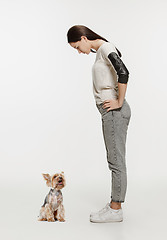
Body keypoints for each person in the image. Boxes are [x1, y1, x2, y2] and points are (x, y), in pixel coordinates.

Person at [67, 25, 131, 223]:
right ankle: (114, 204)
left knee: (116, 161)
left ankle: (116, 209)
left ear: (84, 38)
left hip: (114, 112)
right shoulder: (101, 52)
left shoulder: (105, 48)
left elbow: (124, 72)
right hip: (110, 112)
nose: (78, 52)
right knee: (114, 158)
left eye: (77, 46)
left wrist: (118, 102)